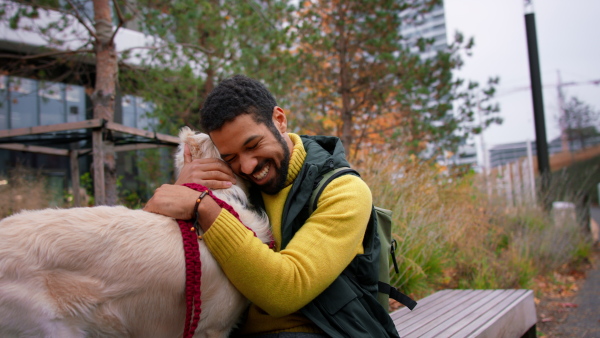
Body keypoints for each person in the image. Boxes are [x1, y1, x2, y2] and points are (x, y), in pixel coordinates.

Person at [144, 75, 399, 337]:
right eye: (230, 157)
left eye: (253, 145)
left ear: (279, 120)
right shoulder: (238, 186)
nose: (247, 166)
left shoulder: (343, 191)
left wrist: (203, 206)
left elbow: (287, 289)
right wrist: (183, 190)